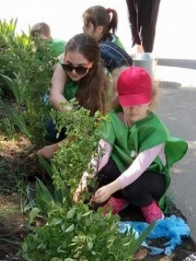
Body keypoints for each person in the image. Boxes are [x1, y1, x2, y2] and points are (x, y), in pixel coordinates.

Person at [74, 66, 187, 223]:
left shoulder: (155, 129)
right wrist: (84, 180)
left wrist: (110, 188)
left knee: (134, 187)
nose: (133, 109)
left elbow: (138, 167)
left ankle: (147, 204)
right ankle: (121, 199)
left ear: (150, 100)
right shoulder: (113, 119)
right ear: (119, 98)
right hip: (123, 167)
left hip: (149, 175)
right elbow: (102, 153)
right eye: (128, 103)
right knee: (103, 171)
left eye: (139, 103)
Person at [38, 33, 110, 160]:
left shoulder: (99, 84)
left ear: (92, 64)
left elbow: (88, 131)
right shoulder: (62, 65)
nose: (73, 72)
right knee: (49, 128)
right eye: (68, 65)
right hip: (72, 116)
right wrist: (77, 119)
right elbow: (55, 95)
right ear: (64, 57)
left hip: (88, 126)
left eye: (81, 68)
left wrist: (54, 149)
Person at [82, 5, 132, 72]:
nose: (83, 28)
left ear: (99, 29)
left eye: (87, 25)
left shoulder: (104, 51)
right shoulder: (111, 38)